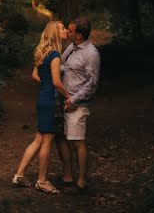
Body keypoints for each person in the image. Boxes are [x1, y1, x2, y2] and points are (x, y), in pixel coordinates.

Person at [12, 20, 70, 194]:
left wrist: (46, 85)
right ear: (54, 33)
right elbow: (57, 82)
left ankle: (19, 175)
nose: (66, 30)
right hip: (52, 100)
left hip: (43, 98)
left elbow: (34, 75)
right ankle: (42, 181)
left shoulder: (43, 52)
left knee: (39, 139)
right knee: (47, 140)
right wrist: (69, 97)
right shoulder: (55, 55)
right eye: (62, 28)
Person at [56, 17, 100, 195]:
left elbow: (92, 83)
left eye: (70, 30)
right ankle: (67, 177)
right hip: (63, 101)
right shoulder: (71, 47)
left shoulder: (91, 54)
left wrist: (73, 100)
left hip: (77, 105)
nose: (67, 31)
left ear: (79, 36)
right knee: (61, 139)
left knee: (76, 141)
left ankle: (81, 182)